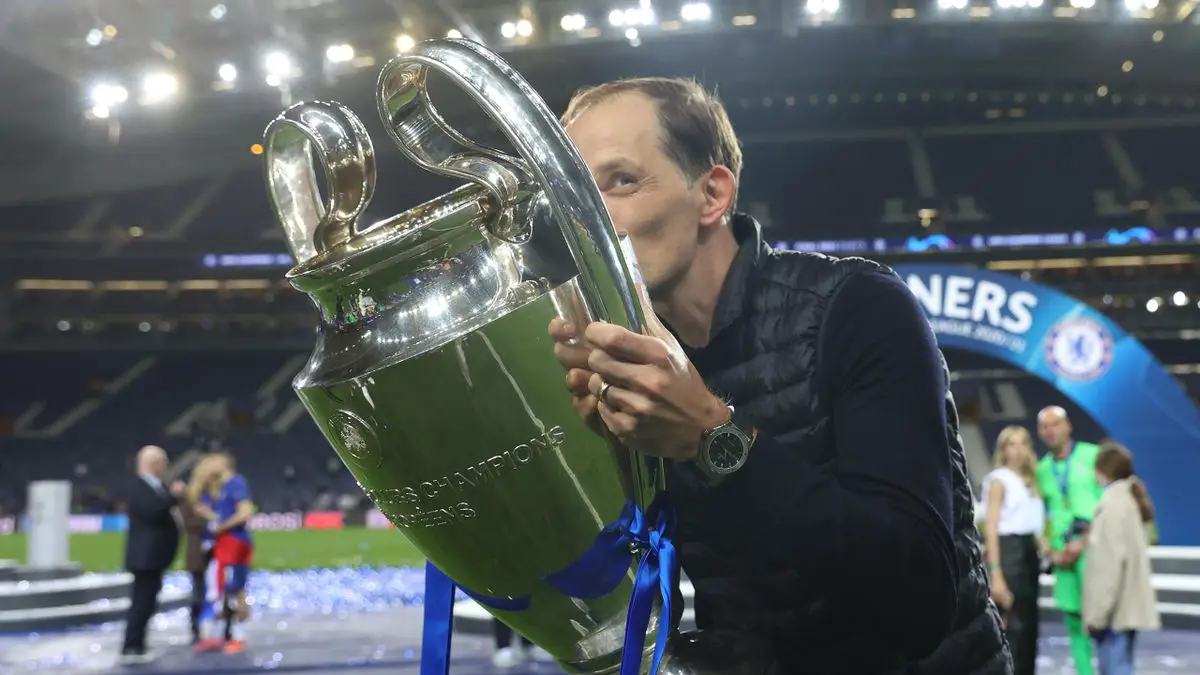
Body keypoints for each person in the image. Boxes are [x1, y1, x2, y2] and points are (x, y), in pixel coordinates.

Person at [548, 77, 1009, 673]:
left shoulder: (855, 307)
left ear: (712, 194)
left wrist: (711, 439)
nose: (585, 219)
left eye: (620, 181)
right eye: (571, 194)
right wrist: (602, 469)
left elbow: (920, 599)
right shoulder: (621, 366)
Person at [1035, 406, 1104, 675]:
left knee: (1101, 621)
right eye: (1045, 426)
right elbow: (1040, 517)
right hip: (1062, 558)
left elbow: (1106, 501)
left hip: (1093, 550)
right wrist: (1051, 551)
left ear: (1068, 426)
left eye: (1056, 424)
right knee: (1074, 623)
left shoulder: (1092, 455)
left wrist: (1084, 540)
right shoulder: (1041, 470)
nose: (1051, 430)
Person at [1084, 442, 1161, 675]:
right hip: (1124, 608)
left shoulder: (1113, 507)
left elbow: (1110, 567)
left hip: (1114, 613)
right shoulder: (1128, 500)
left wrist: (1098, 614)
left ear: (1103, 470)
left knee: (1115, 668)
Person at [981, 426, 1045, 675]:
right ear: (1003, 449)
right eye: (1011, 444)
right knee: (1013, 629)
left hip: (1029, 555)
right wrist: (996, 574)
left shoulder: (1031, 481)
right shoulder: (999, 480)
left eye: (1022, 444)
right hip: (1010, 554)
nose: (1017, 450)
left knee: (1029, 628)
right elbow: (993, 528)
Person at [121, 445, 184, 664]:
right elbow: (153, 512)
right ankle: (132, 647)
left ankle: (138, 644)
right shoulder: (141, 487)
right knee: (141, 603)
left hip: (152, 557)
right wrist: (174, 496)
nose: (166, 467)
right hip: (145, 557)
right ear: (155, 464)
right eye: (164, 462)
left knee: (146, 602)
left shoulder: (154, 486)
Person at [195, 452, 257, 654]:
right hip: (228, 543)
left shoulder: (235, 483)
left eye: (214, 460)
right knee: (227, 588)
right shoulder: (222, 487)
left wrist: (223, 526)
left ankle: (239, 636)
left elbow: (246, 511)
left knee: (233, 588)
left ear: (225, 463)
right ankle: (226, 635)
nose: (210, 463)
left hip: (234, 542)